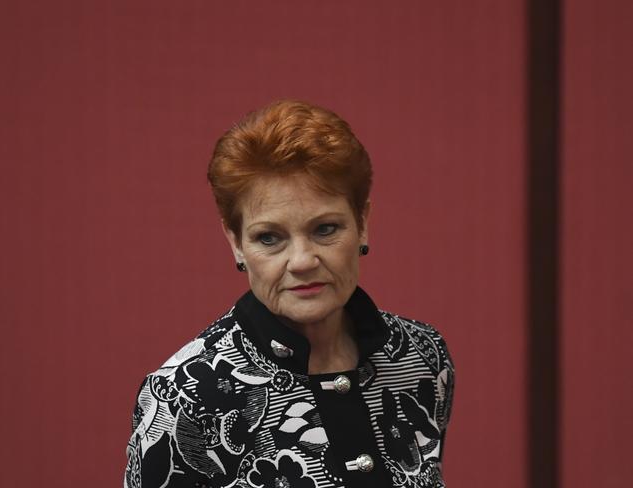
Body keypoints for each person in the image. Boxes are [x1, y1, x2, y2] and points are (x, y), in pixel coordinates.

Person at [124, 100, 455, 488]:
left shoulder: (421, 356)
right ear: (236, 244)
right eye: (269, 237)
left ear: (362, 223)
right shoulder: (186, 394)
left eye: (326, 229)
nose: (301, 261)